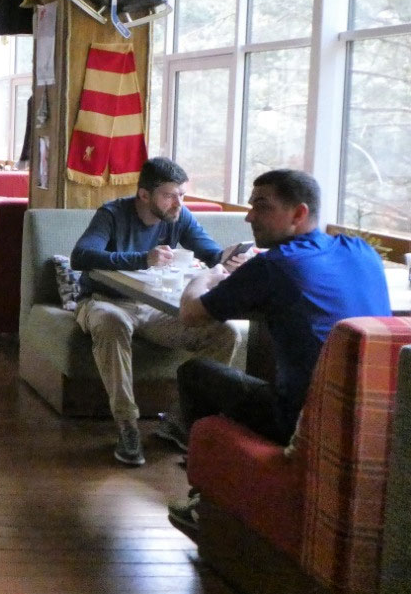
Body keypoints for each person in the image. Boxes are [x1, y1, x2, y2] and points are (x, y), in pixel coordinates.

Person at [166, 169, 392, 537]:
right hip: (372, 416)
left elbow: (191, 314)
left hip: (301, 420)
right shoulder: (362, 252)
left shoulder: (273, 265)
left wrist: (205, 277)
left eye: (262, 206)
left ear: (299, 213)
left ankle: (204, 501)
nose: (249, 217)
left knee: (195, 373)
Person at [70, 157, 247, 467]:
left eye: (182, 194)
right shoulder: (112, 214)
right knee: (112, 323)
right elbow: (81, 256)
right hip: (101, 300)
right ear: (144, 195)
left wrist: (227, 258)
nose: (178, 202)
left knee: (226, 332)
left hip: (152, 307)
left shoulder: (179, 216)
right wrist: (143, 258)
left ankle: (180, 421)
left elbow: (210, 253)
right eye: (169, 195)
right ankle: (127, 425)